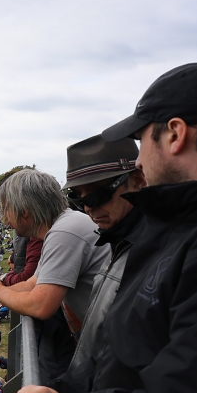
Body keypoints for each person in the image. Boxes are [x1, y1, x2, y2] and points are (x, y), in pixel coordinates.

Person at [6, 59, 197, 393]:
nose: (138, 159)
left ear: (175, 134)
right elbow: (120, 349)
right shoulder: (165, 230)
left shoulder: (193, 240)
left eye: (141, 139)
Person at [0, 168, 109, 382]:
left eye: (7, 209)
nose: (4, 219)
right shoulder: (61, 227)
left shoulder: (64, 233)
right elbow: (33, 283)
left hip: (110, 354)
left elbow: (40, 305)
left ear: (25, 210)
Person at [61, 135, 145, 375]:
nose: (88, 207)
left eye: (97, 194)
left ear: (139, 180)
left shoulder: (154, 250)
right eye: (76, 198)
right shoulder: (115, 241)